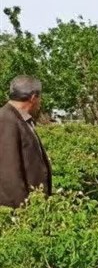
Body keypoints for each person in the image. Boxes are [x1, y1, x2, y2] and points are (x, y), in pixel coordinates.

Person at [0, 75, 52, 209]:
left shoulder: (20, 118)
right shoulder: (6, 120)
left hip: (33, 205)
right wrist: (22, 212)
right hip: (21, 212)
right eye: (40, 98)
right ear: (33, 98)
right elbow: (8, 174)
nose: (40, 102)